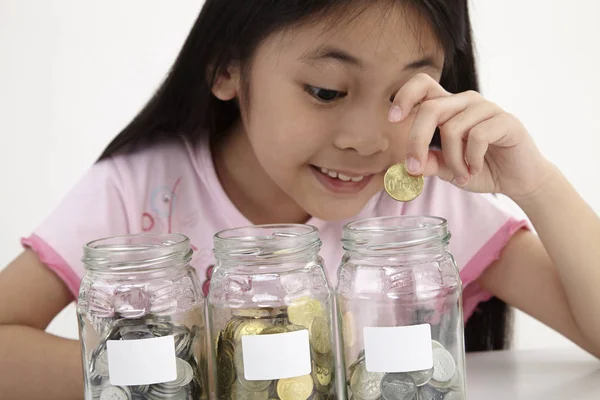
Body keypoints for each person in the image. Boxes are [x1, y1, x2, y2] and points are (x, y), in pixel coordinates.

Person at [2, 0, 600, 398]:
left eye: (408, 97)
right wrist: (189, 376)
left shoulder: (423, 206)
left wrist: (536, 184)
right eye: (326, 90)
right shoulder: (137, 194)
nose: (366, 139)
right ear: (226, 66)